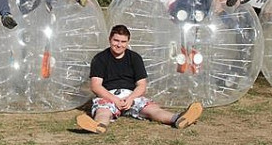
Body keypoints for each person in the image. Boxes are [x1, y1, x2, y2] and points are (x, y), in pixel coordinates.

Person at [75, 25, 203, 134]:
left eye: (123, 41)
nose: (119, 45)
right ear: (110, 39)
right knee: (103, 111)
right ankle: (98, 125)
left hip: (131, 94)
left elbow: (142, 85)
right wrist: (114, 100)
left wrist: (130, 99)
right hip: (109, 95)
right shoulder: (100, 58)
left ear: (128, 42)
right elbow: (96, 86)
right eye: (116, 40)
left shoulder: (135, 58)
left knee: (153, 110)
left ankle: (178, 119)